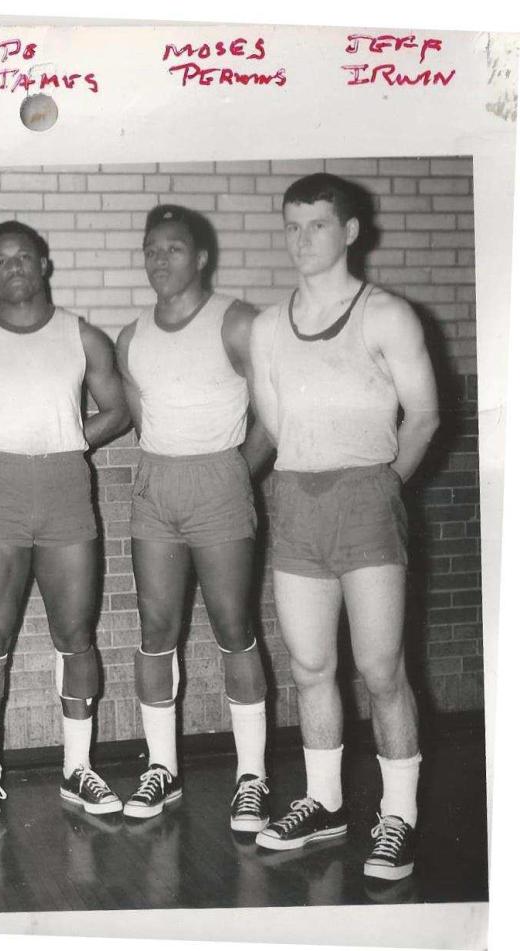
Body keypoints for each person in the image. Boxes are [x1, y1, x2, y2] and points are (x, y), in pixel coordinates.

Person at [249, 173, 439, 880]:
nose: (303, 240)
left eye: (318, 225)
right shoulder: (268, 327)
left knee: (381, 667)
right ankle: (325, 801)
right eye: (292, 226)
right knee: (310, 665)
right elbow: (277, 424)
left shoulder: (387, 313)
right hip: (297, 496)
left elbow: (423, 416)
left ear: (350, 231)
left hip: (368, 493)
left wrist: (384, 483)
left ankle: (399, 814)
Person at [0, 220, 130, 821]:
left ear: (44, 264)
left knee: (75, 634)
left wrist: (69, 443)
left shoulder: (84, 337)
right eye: (2, 259)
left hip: (67, 492)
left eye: (25, 256)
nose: (14, 266)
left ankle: (78, 769)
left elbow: (119, 410)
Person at [116, 204, 275, 826]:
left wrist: (237, 473)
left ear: (201, 256)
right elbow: (141, 419)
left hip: (221, 480)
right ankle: (162, 768)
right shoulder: (132, 337)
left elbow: (275, 414)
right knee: (156, 629)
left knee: (234, 627)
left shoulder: (237, 323)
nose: (160, 259)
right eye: (152, 248)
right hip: (158, 484)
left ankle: (252, 776)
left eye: (174, 248)